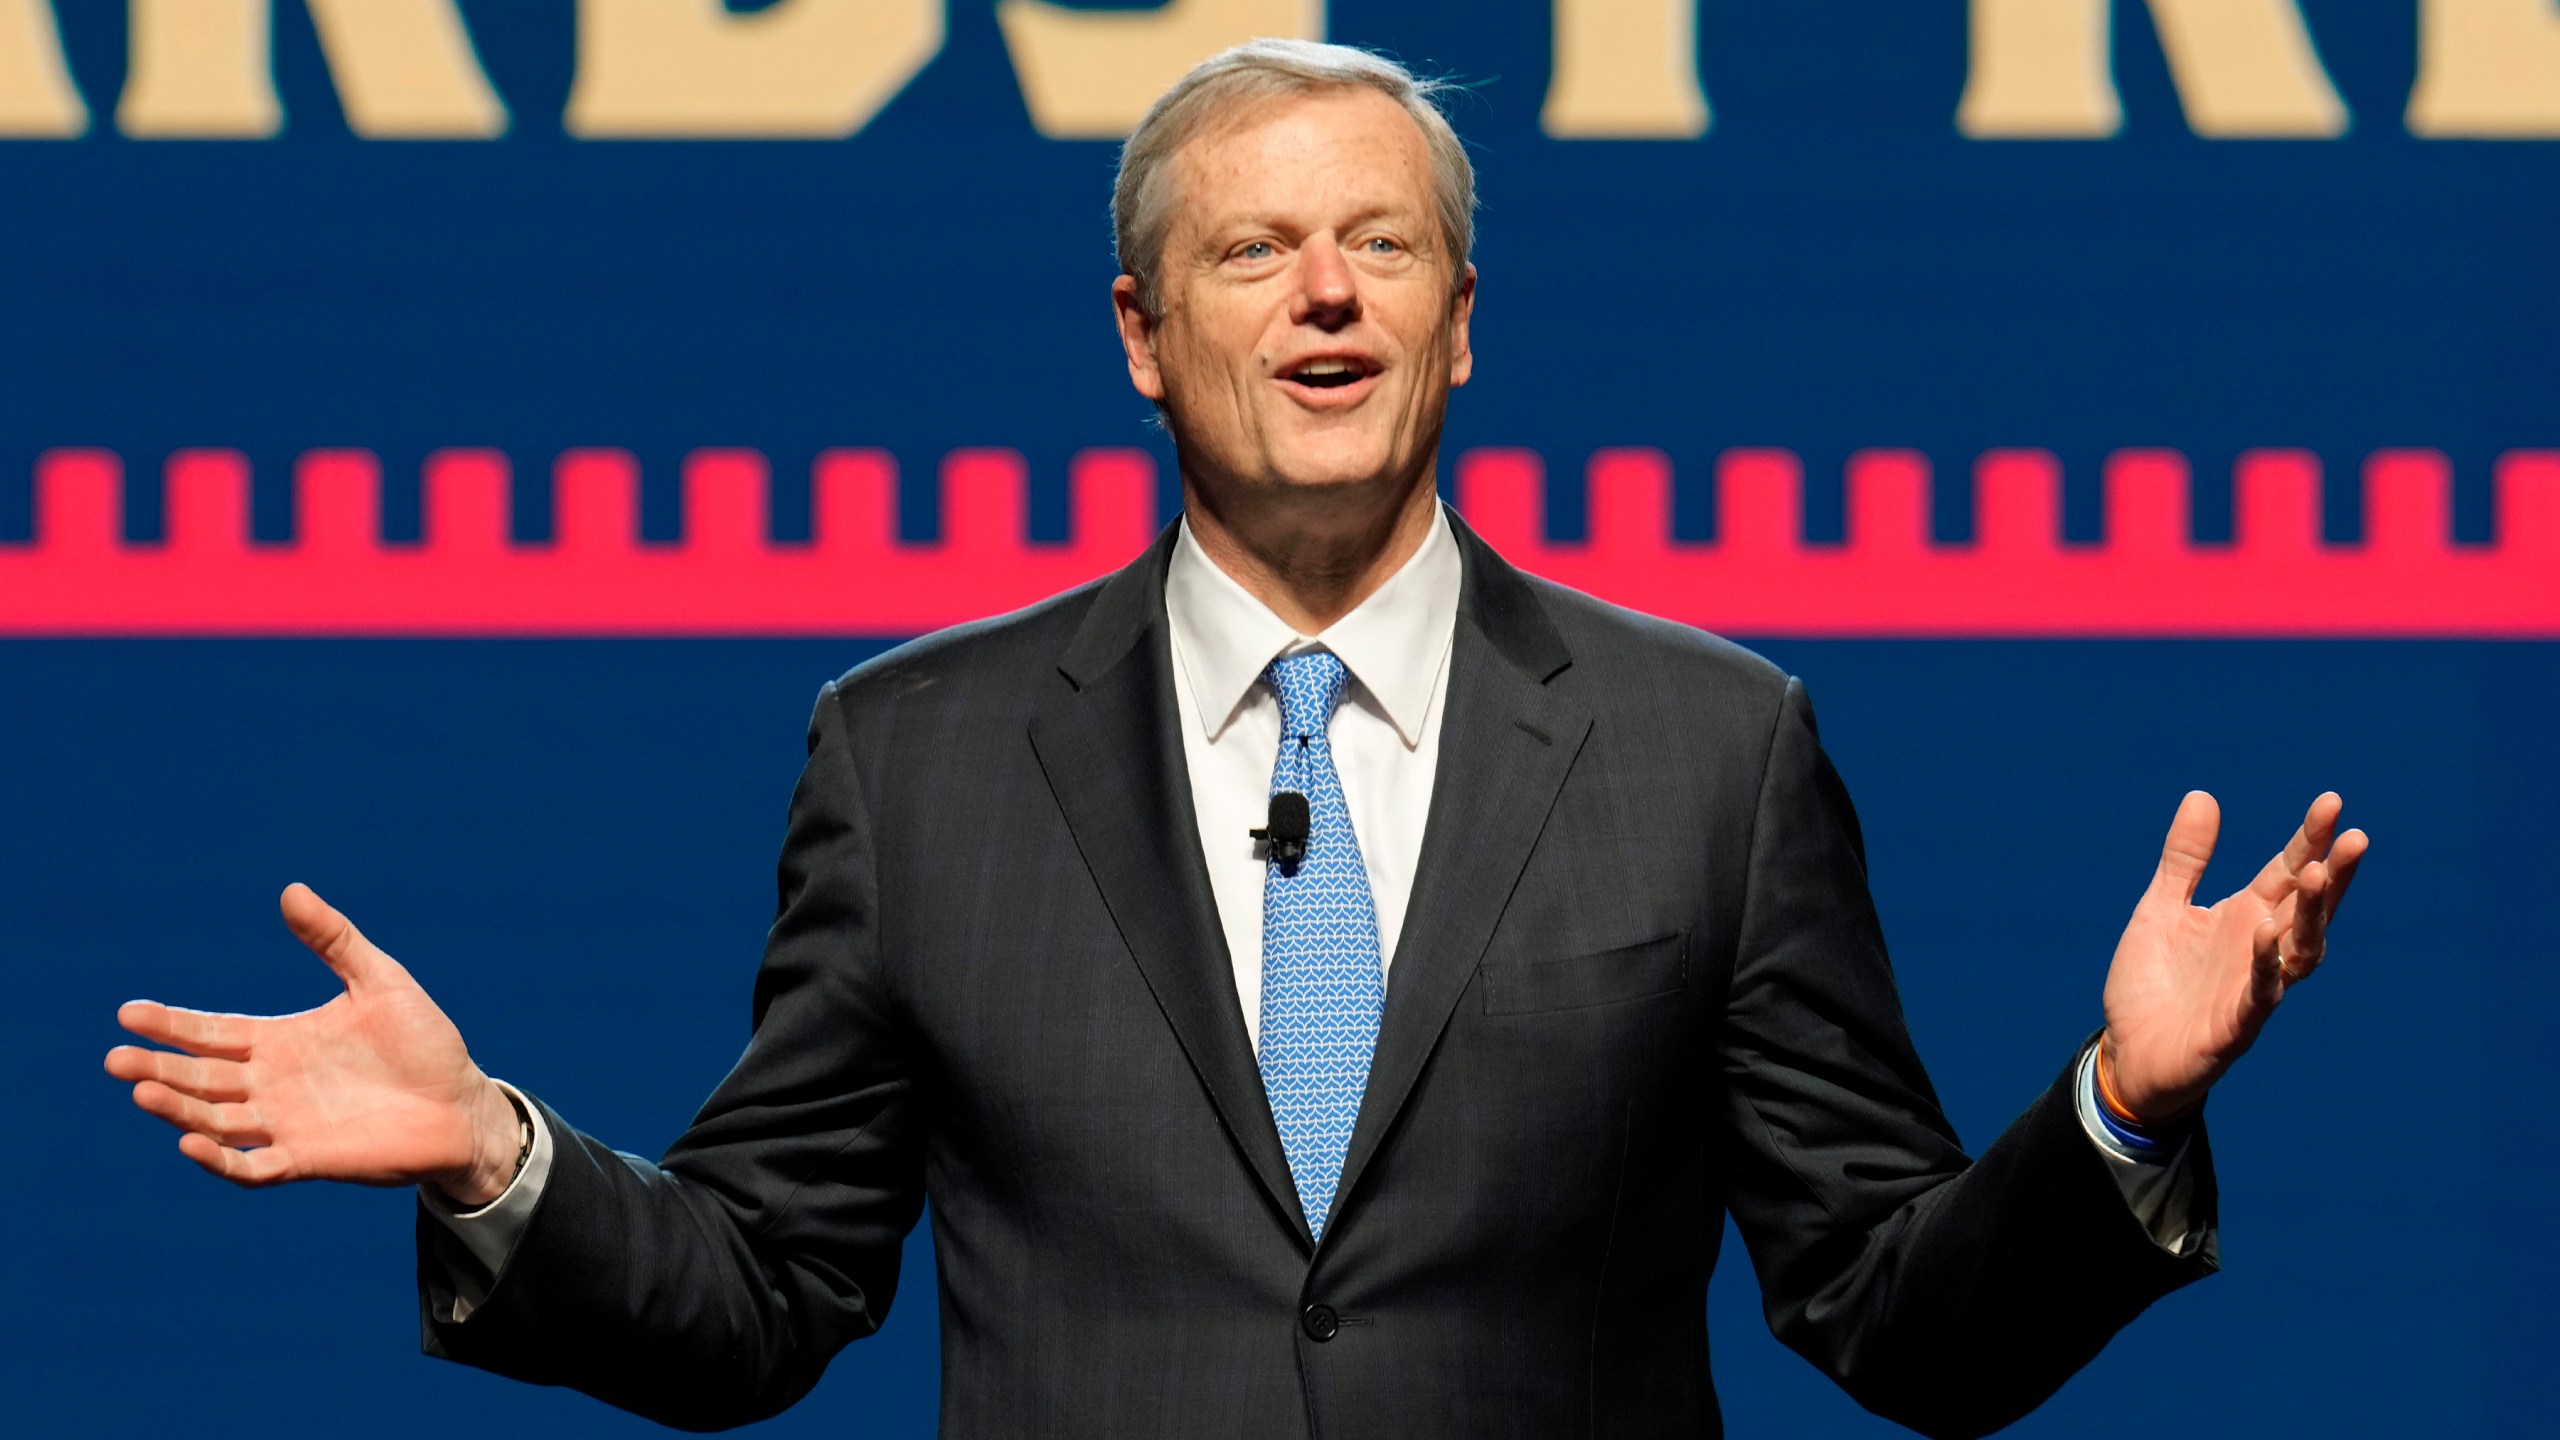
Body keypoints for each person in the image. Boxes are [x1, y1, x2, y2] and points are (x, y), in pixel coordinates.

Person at [103, 39, 2367, 1440]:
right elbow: (763, 1300)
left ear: (1458, 328)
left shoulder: (1714, 747)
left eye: (1382, 247)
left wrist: (2114, 1115)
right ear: (1138, 336)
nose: (1323, 292)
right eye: (1259, 249)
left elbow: (1897, 1325)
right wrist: (497, 1153)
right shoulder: (914, 756)